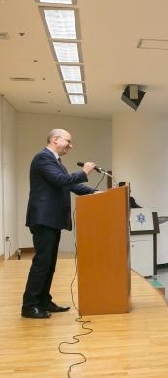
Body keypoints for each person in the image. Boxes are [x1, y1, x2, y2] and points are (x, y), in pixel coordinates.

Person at [22, 129, 97, 319]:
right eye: (68, 142)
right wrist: (84, 171)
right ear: (55, 140)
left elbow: (69, 185)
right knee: (42, 263)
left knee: (49, 263)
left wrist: (96, 194)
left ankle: (43, 301)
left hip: (52, 219)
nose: (71, 146)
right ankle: (30, 306)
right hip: (43, 218)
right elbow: (61, 180)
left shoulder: (56, 162)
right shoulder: (43, 158)